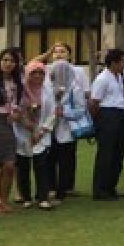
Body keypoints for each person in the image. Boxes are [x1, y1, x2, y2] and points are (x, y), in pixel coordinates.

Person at [14, 61, 56, 209]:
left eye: (41, 73)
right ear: (27, 74)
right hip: (23, 132)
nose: (37, 75)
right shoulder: (20, 91)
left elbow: (52, 113)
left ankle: (42, 197)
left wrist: (41, 131)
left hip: (42, 132)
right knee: (23, 166)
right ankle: (26, 197)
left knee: (42, 165)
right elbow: (16, 111)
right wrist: (29, 126)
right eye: (34, 72)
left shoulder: (47, 91)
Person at [89, 49, 124, 201]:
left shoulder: (119, 77)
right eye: (122, 62)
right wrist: (98, 122)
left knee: (118, 154)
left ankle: (111, 186)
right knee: (106, 154)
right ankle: (100, 189)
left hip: (120, 113)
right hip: (107, 115)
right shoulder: (103, 79)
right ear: (114, 63)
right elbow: (94, 103)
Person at [46, 55, 86, 204]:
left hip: (66, 130)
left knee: (65, 163)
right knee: (49, 160)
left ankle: (61, 192)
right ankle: (50, 188)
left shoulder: (74, 89)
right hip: (49, 130)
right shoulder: (48, 87)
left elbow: (81, 110)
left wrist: (65, 113)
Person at [0, 49, 22, 213]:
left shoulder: (17, 82)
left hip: (8, 124)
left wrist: (16, 112)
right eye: (5, 60)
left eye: (11, 61)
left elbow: (16, 103)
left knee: (9, 164)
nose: (8, 63)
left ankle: (2, 200)